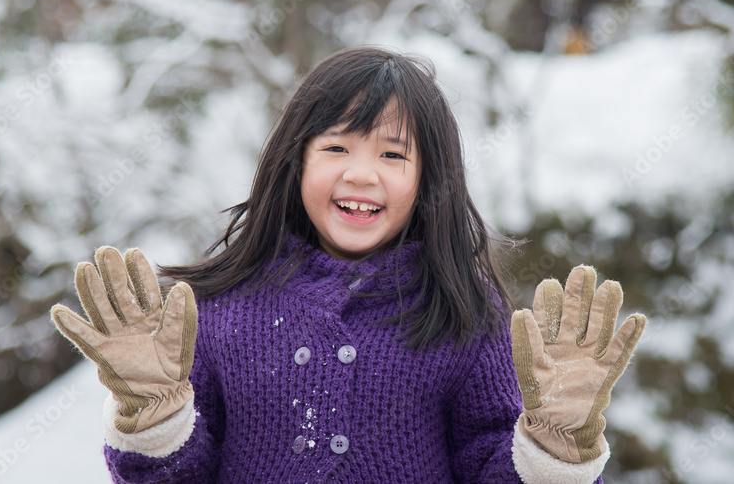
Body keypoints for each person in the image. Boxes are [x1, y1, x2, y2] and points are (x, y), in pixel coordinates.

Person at [51, 46, 646, 483]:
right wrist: (155, 416)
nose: (362, 174)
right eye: (336, 147)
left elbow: (493, 470)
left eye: (393, 154)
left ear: (427, 180)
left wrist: (555, 444)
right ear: (295, 162)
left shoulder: (463, 313)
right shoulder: (219, 310)